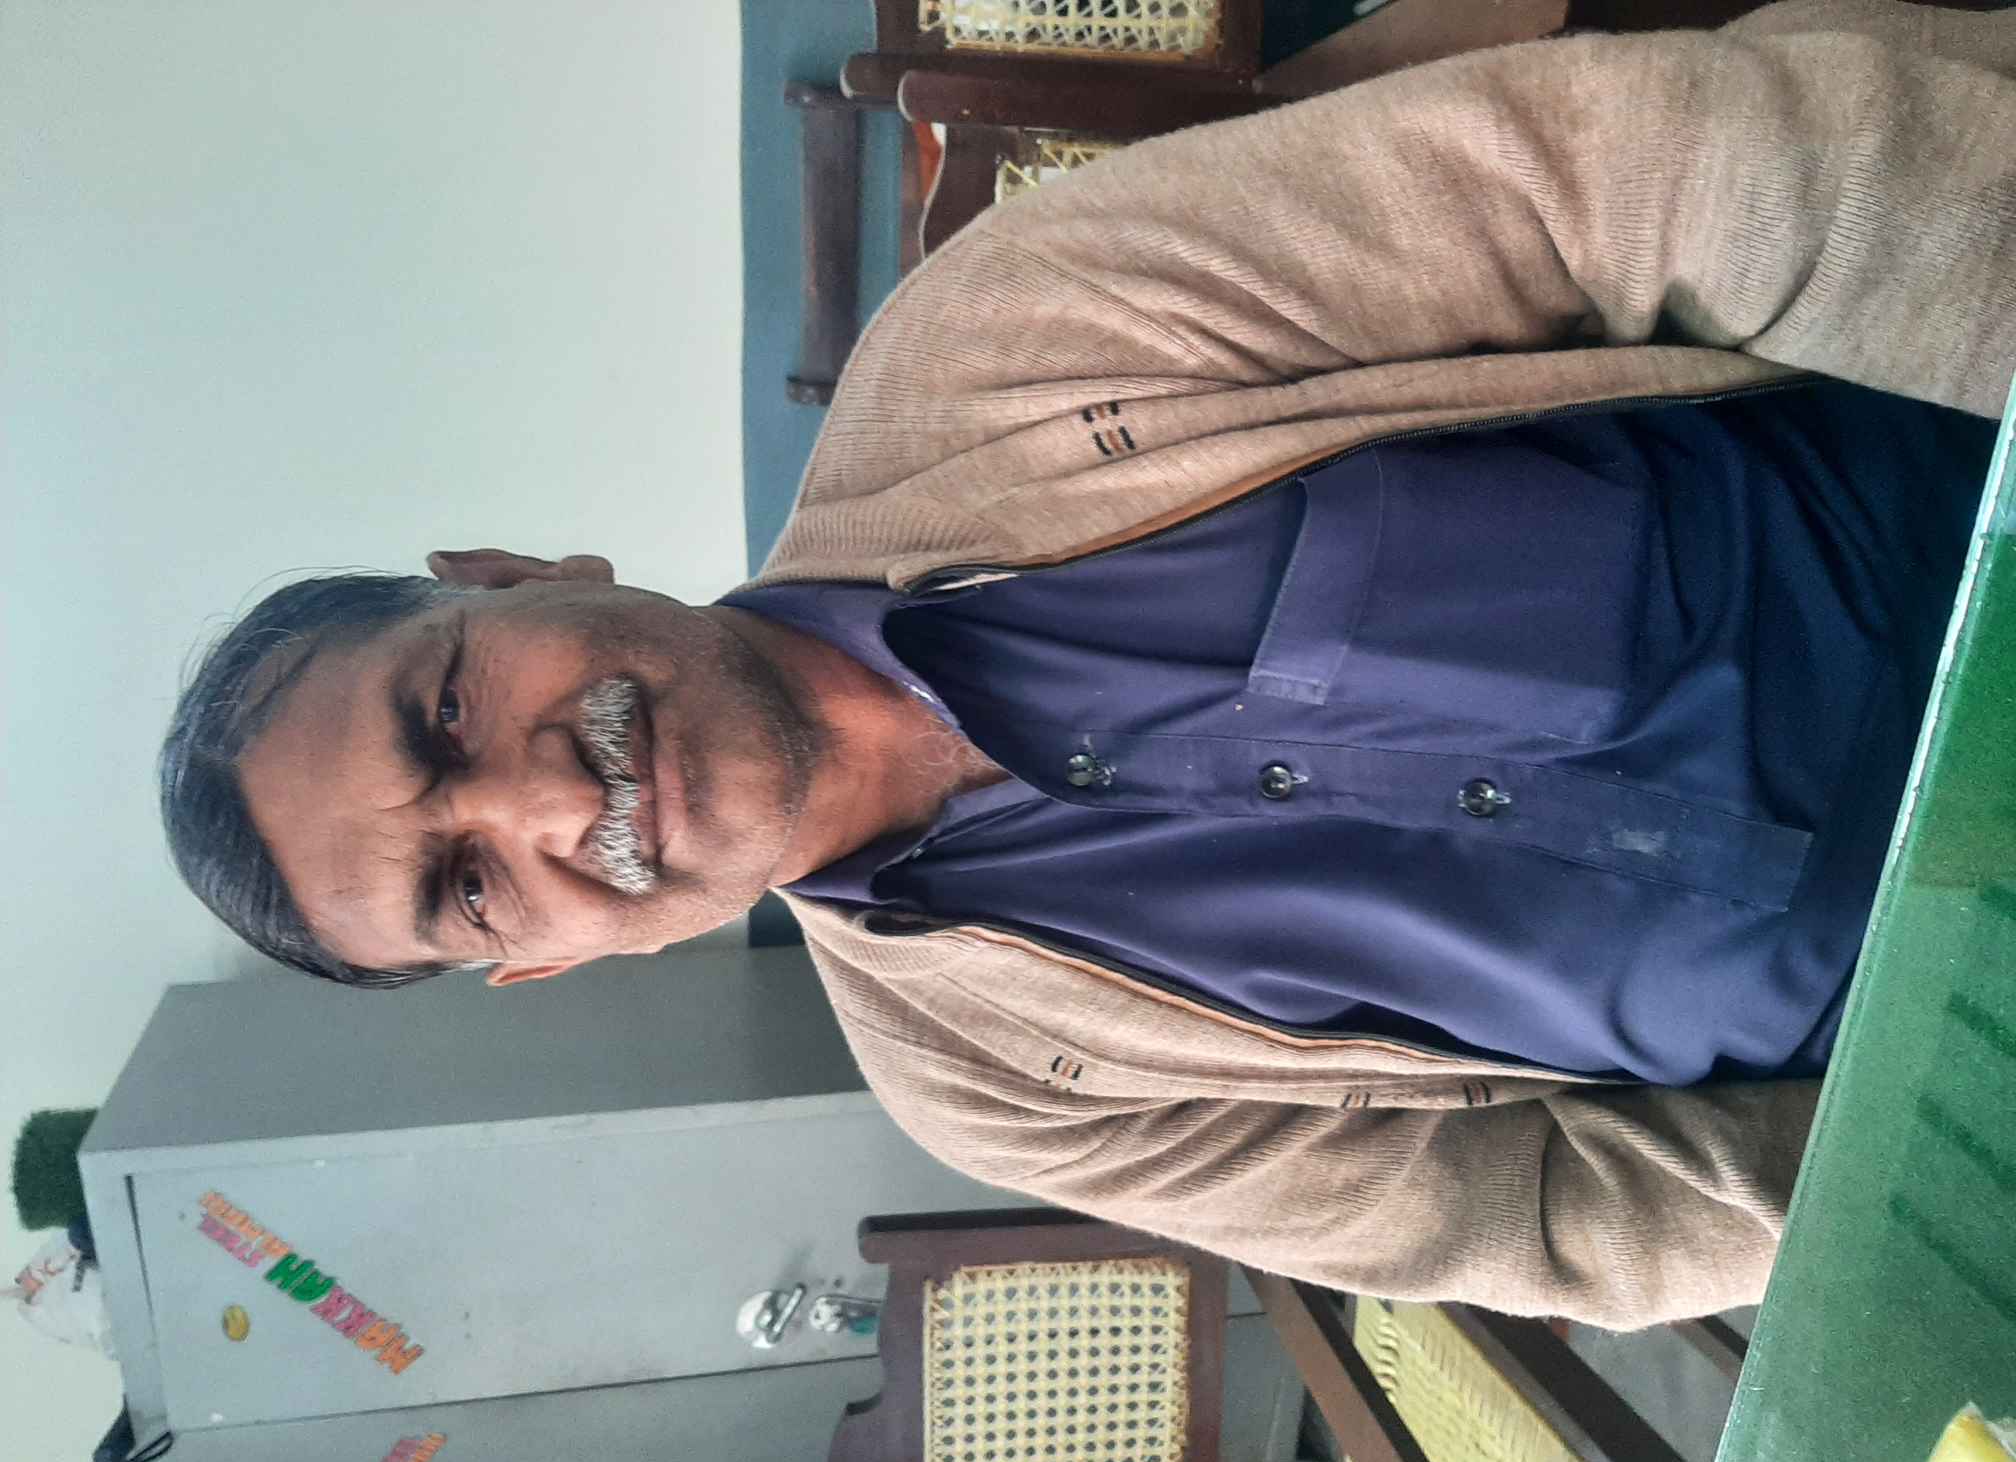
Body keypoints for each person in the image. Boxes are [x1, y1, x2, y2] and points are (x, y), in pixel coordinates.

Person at [158, 0, 2016, 1327]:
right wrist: (1952, 1176)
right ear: (550, 962)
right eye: (470, 886)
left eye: (448, 711)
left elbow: (1651, 179)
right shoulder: (988, 1087)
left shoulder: (1002, 343)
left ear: (517, 573)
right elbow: (1541, 1218)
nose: (546, 797)